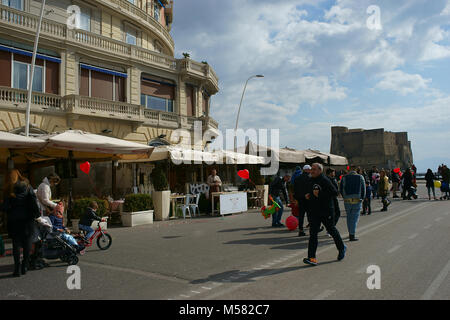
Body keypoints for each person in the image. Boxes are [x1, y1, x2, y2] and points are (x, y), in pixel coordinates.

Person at [303, 163, 347, 266]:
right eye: (311, 169)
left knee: (331, 230)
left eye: (314, 169)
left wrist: (320, 195)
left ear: (320, 170)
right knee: (313, 234)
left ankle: (341, 248)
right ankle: (312, 258)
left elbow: (334, 192)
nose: (312, 171)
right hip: (314, 211)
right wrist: (309, 195)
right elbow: (313, 192)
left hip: (326, 211)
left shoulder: (325, 180)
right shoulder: (311, 180)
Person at [2, 170, 40, 277]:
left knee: (16, 244)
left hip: (14, 220)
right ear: (19, 176)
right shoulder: (28, 186)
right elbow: (33, 201)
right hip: (28, 219)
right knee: (27, 243)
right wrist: (37, 215)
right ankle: (25, 265)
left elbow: (4, 207)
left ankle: (17, 269)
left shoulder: (8, 189)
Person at [339, 165, 365, 241]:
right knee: (355, 217)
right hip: (357, 199)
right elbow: (363, 189)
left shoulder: (344, 177)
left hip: (347, 200)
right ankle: (352, 234)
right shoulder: (360, 177)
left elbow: (341, 188)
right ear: (356, 169)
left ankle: (350, 232)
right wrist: (362, 198)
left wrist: (344, 197)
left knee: (349, 217)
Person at [293, 165, 312, 236]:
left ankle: (300, 230)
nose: (310, 171)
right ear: (306, 170)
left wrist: (296, 198)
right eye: (309, 169)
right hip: (308, 199)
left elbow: (295, 189)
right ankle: (312, 229)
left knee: (301, 215)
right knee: (310, 214)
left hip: (300, 199)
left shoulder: (297, 178)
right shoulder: (310, 178)